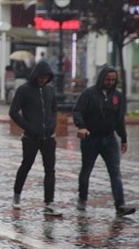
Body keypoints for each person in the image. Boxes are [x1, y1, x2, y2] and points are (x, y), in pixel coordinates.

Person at [72, 65, 136, 217]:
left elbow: (119, 119)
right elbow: (77, 110)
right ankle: (82, 199)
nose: (110, 82)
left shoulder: (118, 96)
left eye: (113, 80)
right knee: (86, 170)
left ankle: (120, 205)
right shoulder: (89, 93)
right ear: (102, 78)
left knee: (115, 172)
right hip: (90, 138)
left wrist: (124, 138)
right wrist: (81, 126)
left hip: (109, 139)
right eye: (108, 79)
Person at [8, 61, 61, 216]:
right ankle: (17, 195)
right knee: (26, 165)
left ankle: (49, 202)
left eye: (45, 77)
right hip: (31, 138)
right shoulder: (24, 90)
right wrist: (28, 127)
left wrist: (52, 124)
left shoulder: (50, 90)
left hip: (49, 137)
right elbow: (13, 112)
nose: (42, 80)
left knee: (50, 170)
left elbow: (54, 109)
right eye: (40, 77)